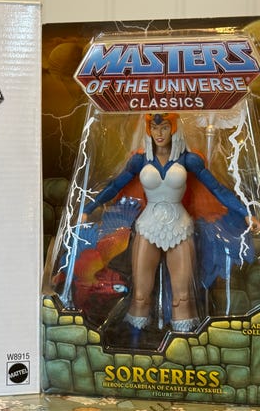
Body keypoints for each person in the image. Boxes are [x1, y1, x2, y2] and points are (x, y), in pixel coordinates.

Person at [82, 113, 260, 337]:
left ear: (174, 129)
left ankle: (182, 345)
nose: (159, 133)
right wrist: (88, 209)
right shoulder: (140, 160)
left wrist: (246, 213)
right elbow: (114, 186)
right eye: (154, 128)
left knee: (183, 297)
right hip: (147, 227)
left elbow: (217, 189)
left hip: (180, 227)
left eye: (165, 127)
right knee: (139, 296)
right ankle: (134, 343)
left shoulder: (189, 160)